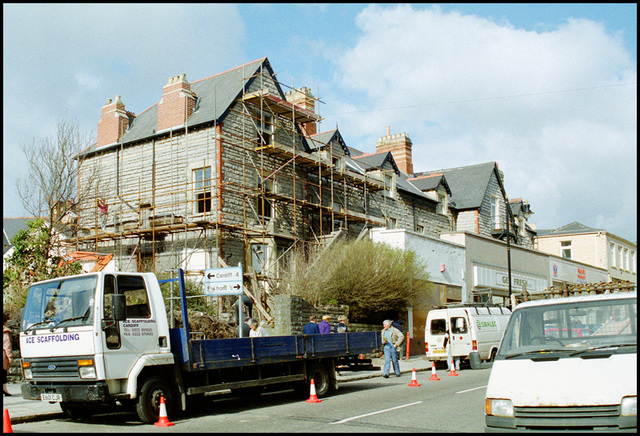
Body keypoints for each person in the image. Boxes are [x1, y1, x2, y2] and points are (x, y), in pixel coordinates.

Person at [3, 312, 12, 396]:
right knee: (3, 373)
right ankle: (4, 388)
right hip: (3, 356)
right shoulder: (5, 331)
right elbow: (7, 345)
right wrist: (10, 357)